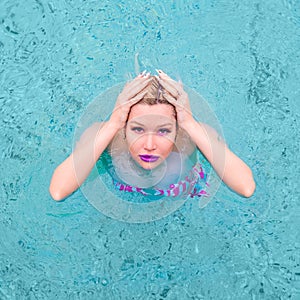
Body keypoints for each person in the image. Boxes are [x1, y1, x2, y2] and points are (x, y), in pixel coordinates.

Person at [49, 70, 256, 201]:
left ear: (177, 128)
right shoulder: (106, 137)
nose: (149, 145)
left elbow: (246, 188)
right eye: (137, 129)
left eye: (164, 131)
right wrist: (113, 124)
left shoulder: (192, 135)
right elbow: (58, 191)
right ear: (124, 126)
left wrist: (190, 124)